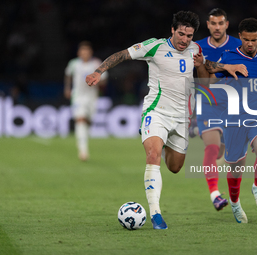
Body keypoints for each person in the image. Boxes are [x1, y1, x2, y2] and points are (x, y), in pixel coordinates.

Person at [85, 11, 247, 229]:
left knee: (174, 167)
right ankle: (155, 214)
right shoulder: (155, 46)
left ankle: (159, 156)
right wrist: (99, 71)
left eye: (189, 36)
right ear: (172, 30)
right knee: (153, 155)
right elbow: (123, 55)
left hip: (182, 118)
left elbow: (206, 74)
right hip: (156, 111)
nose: (185, 40)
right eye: (181, 34)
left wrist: (224, 67)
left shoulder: (195, 50)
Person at [194, 18, 257, 223]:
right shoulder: (230, 55)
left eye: (254, 40)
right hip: (234, 117)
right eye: (246, 40)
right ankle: (234, 203)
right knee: (235, 167)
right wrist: (226, 66)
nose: (250, 44)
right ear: (240, 37)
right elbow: (210, 70)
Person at [190, 8, 242, 212]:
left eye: (221, 23)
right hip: (209, 103)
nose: (217, 27)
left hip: (234, 106)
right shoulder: (197, 47)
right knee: (212, 149)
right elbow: (204, 81)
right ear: (208, 24)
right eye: (214, 23)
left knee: (229, 153)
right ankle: (215, 195)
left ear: (227, 24)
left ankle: (196, 131)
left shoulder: (240, 45)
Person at [64, 41, 108, 161]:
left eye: (87, 51)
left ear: (90, 52)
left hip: (92, 97)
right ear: (79, 52)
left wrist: (98, 81)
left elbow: (104, 80)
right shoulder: (73, 64)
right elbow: (68, 75)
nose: (85, 53)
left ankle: (81, 139)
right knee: (80, 119)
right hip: (78, 96)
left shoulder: (96, 63)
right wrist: (67, 88)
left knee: (87, 121)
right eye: (83, 51)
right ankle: (83, 151)